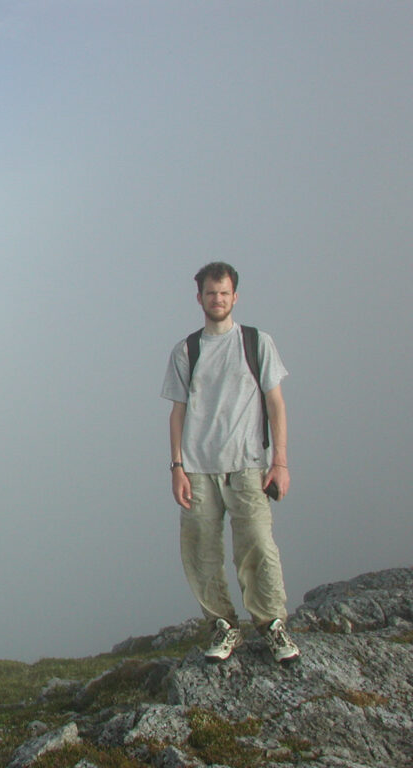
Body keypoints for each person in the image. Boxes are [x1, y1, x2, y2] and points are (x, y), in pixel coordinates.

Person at [161, 262, 300, 663]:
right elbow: (177, 412)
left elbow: (275, 404)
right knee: (200, 549)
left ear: (235, 296)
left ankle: (272, 624)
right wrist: (176, 468)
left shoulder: (257, 343)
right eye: (210, 293)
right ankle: (223, 625)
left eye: (224, 293)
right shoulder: (187, 349)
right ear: (199, 298)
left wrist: (281, 462)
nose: (217, 299)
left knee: (257, 544)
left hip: (249, 464)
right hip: (198, 468)